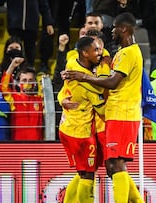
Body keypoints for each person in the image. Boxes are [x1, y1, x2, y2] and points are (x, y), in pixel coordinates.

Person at [64, 12, 144, 202]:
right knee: (97, 168)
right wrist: (62, 99)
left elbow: (112, 82)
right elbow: (68, 90)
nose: (112, 32)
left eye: (115, 28)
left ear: (123, 28)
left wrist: (83, 77)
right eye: (95, 48)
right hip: (99, 120)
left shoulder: (123, 55)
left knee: (112, 165)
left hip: (120, 114)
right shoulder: (118, 55)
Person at [58, 36, 105, 202]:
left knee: (81, 172)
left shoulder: (72, 63)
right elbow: (103, 106)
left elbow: (65, 89)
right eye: (97, 50)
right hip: (81, 133)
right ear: (85, 53)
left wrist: (61, 98)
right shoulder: (88, 85)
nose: (100, 53)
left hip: (66, 127)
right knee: (88, 174)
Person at [0, 0, 54, 68]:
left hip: (31, 25)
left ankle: (29, 71)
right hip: (14, 24)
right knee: (15, 51)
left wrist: (48, 22)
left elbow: (44, 5)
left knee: (30, 52)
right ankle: (13, 71)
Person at [0, 57, 44, 141]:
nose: (27, 83)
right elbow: (3, 87)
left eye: (30, 80)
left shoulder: (39, 100)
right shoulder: (14, 98)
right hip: (18, 145)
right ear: (19, 83)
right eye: (24, 80)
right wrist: (12, 66)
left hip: (37, 146)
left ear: (35, 83)